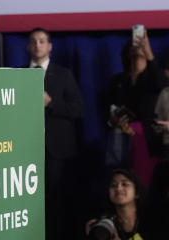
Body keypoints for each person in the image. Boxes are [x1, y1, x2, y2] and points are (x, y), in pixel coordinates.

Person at [26, 28, 84, 238]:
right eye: (33, 41)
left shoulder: (63, 75)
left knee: (56, 202)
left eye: (42, 41)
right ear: (28, 46)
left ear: (50, 46)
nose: (37, 45)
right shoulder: (18, 74)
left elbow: (78, 109)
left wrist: (51, 103)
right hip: (26, 149)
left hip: (57, 151)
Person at [103, 35, 167, 166]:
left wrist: (149, 54)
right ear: (127, 51)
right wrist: (112, 120)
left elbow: (161, 84)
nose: (138, 47)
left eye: (141, 44)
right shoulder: (117, 81)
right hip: (122, 136)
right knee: (122, 174)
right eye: (134, 43)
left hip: (148, 138)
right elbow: (108, 110)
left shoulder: (155, 76)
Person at [84, 168, 149, 239]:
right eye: (113, 185)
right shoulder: (105, 226)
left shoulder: (151, 219)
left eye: (124, 184)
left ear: (137, 193)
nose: (118, 188)